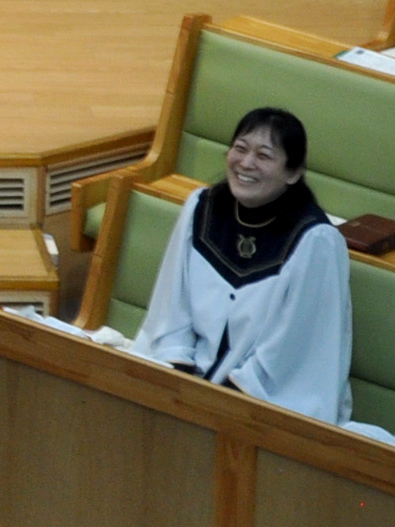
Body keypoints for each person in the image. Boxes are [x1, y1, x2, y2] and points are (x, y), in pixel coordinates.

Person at [132, 106, 351, 421]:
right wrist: (178, 378)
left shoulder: (315, 242)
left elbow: (291, 352)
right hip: (187, 383)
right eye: (240, 148)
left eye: (264, 155)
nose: (246, 163)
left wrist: (219, 403)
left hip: (262, 403)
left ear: (293, 173)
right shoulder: (202, 208)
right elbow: (171, 309)